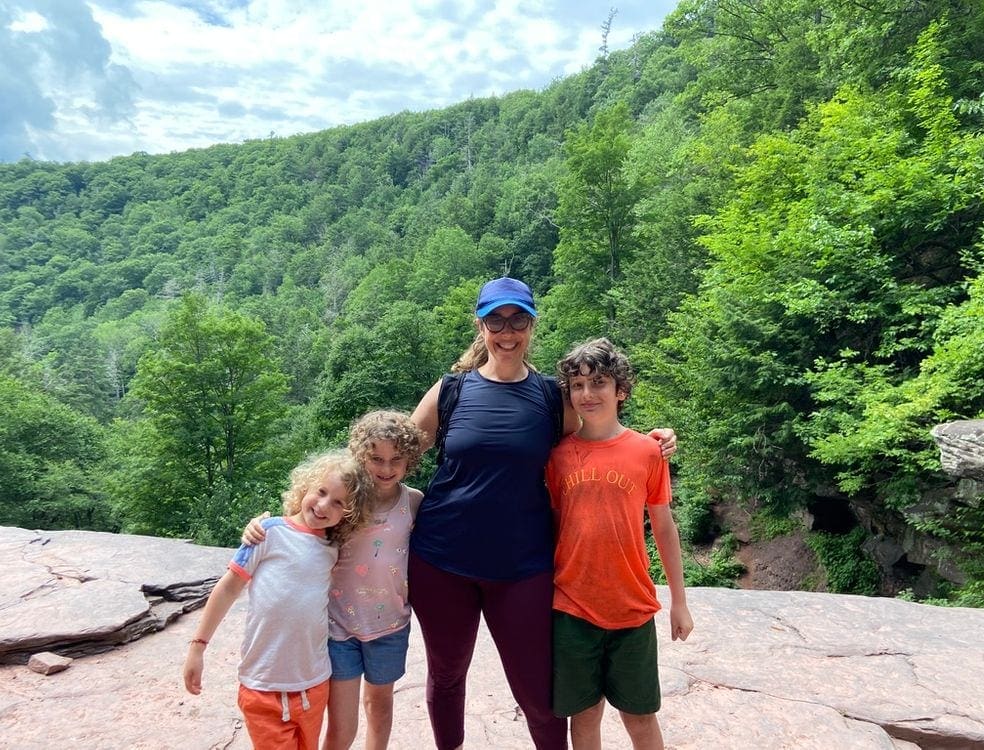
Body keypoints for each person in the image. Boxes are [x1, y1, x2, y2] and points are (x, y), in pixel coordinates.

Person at [408, 277, 677, 750]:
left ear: (532, 325)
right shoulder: (451, 390)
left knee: (538, 693)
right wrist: (323, 507)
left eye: (518, 320)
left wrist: (651, 441)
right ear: (481, 324)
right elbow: (394, 454)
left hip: (523, 568)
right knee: (447, 675)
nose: (506, 331)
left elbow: (594, 443)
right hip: (441, 560)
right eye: (496, 320)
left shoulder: (551, 398)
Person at [242, 410, 425, 750]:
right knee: (343, 726)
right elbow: (300, 525)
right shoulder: (346, 503)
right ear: (360, 456)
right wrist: (259, 526)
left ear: (409, 460)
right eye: (376, 459)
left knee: (380, 706)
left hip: (390, 627)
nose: (386, 468)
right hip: (339, 628)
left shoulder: (413, 502)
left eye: (395, 460)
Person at [545, 338, 693, 750]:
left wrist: (679, 601)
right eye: (577, 385)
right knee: (584, 716)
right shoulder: (556, 456)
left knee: (640, 717)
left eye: (599, 383)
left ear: (621, 390)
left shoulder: (648, 451)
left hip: (632, 608)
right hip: (571, 607)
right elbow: (555, 525)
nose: (587, 394)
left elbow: (664, 526)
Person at [183, 450, 370, 750]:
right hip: (262, 686)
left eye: (338, 503)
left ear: (347, 514)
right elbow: (229, 588)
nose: (323, 505)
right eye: (321, 492)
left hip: (314, 684)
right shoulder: (267, 533)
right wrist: (198, 647)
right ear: (305, 487)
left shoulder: (333, 549)